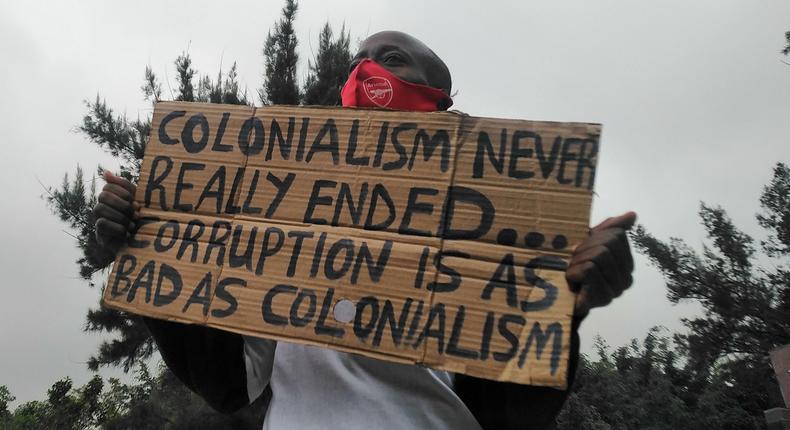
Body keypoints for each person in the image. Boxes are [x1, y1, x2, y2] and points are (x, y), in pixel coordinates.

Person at [93, 31, 636, 429]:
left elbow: (511, 414)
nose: (364, 70)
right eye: (357, 62)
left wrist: (570, 306)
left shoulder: (489, 232)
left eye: (390, 59)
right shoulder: (274, 219)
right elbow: (227, 385)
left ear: (441, 101)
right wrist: (148, 249)